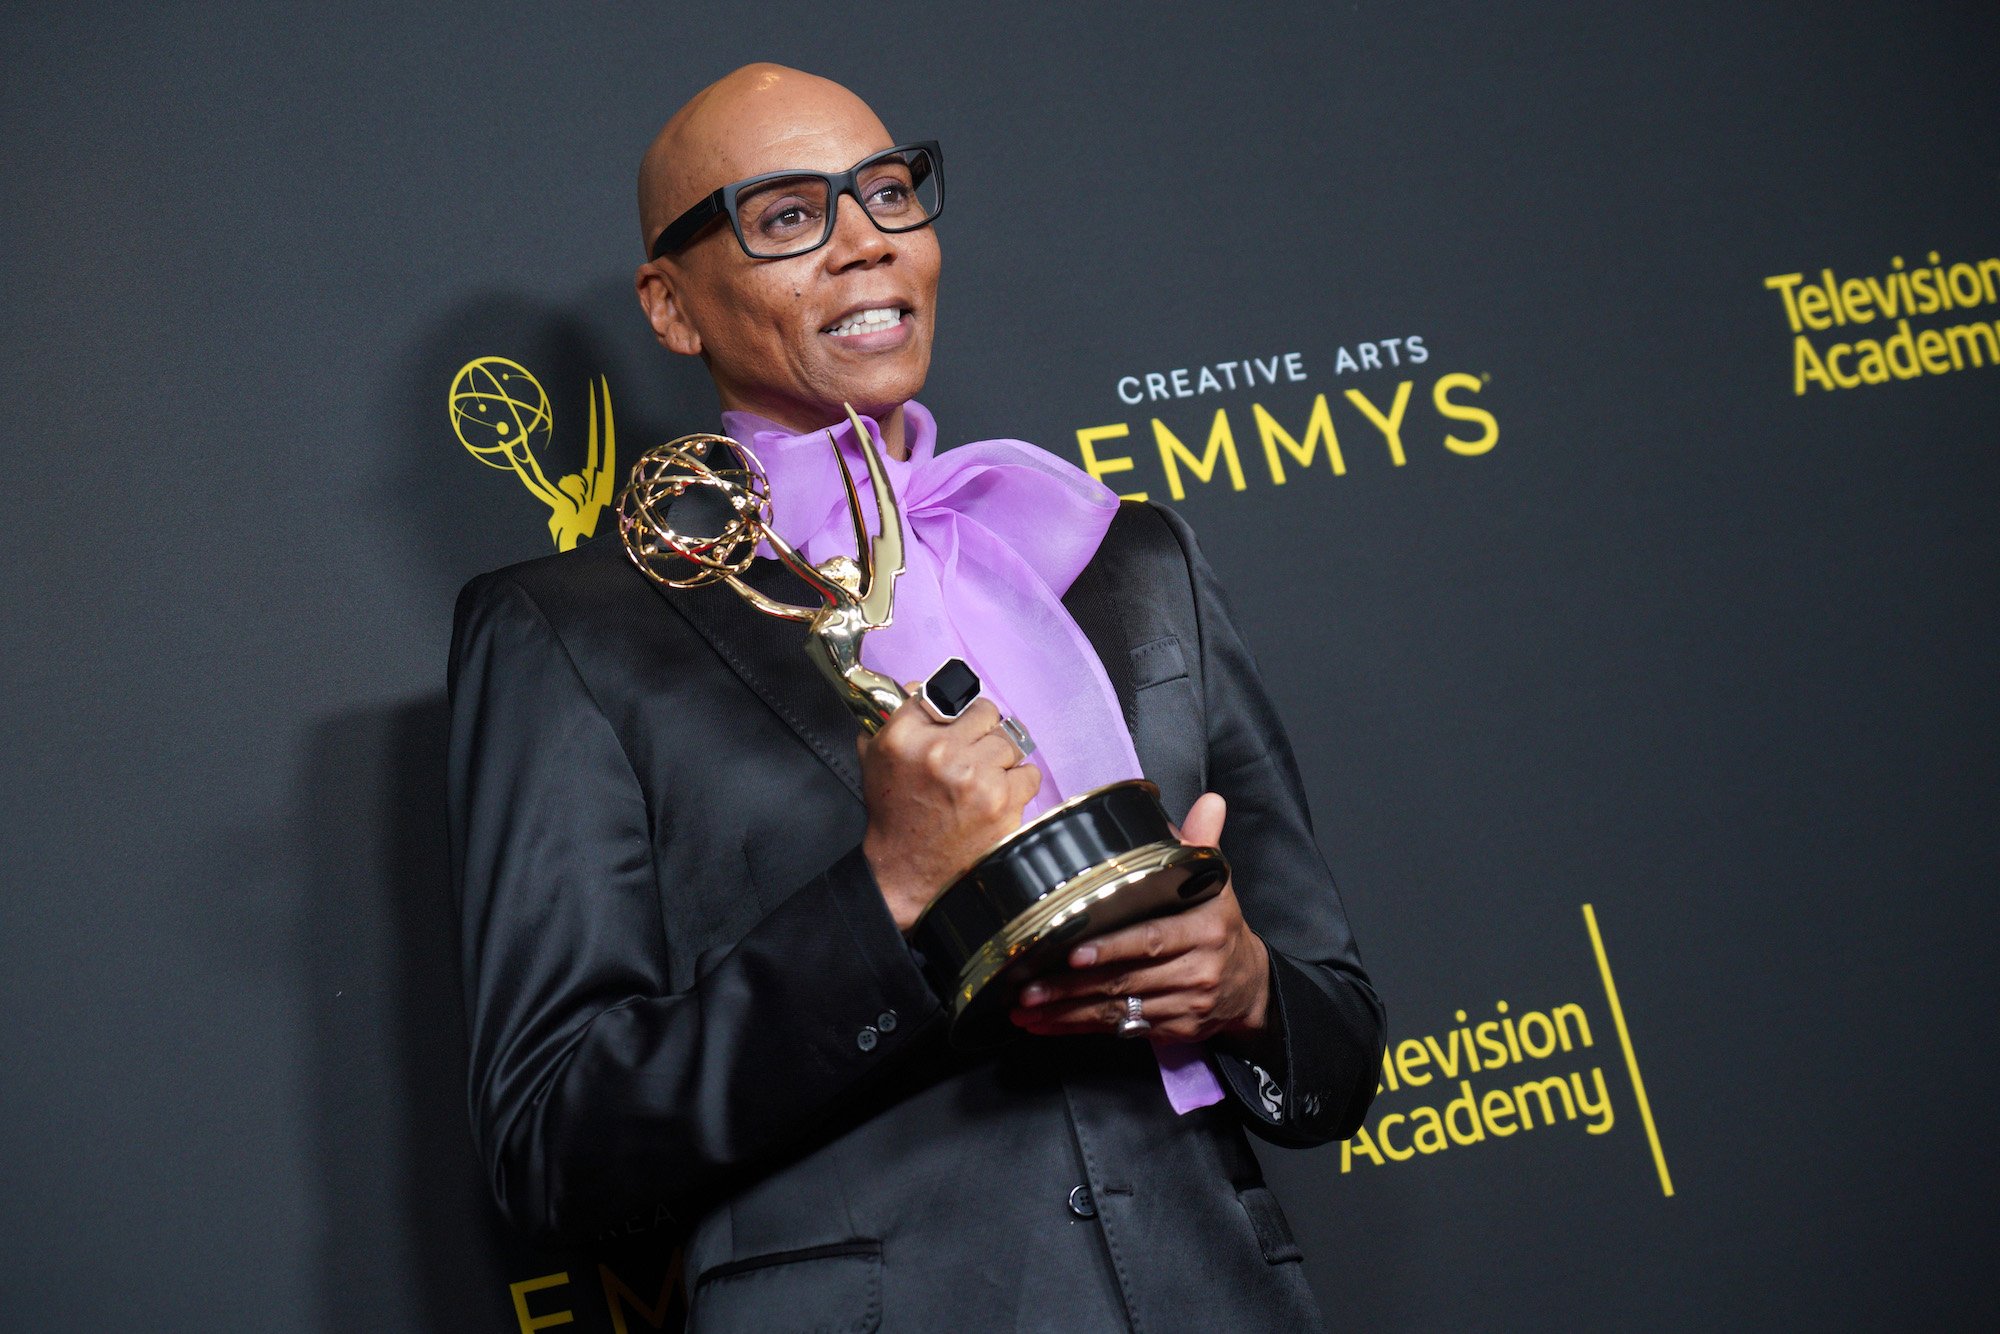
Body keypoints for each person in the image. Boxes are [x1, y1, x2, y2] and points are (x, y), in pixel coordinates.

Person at [447, 63, 1385, 1332]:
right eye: (786, 216)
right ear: (670, 307)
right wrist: (887, 893)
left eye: (887, 194)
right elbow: (553, 1149)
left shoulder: (1126, 556)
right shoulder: (568, 631)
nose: (863, 245)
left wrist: (1246, 987)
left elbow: (1336, 1047)